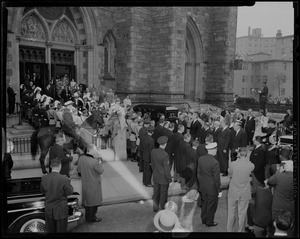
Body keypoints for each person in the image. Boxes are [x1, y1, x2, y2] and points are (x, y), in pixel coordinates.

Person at [40, 158, 74, 233]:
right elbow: (69, 192)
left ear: (51, 166)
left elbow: (42, 192)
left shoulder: (44, 178)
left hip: (49, 210)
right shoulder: (64, 178)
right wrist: (69, 181)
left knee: (50, 230)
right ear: (60, 166)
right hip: (60, 210)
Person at [227, 147, 254, 232]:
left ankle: (229, 231)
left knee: (231, 213)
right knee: (242, 214)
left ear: (238, 154)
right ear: (246, 154)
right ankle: (240, 231)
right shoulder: (251, 165)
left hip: (233, 191)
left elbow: (229, 173)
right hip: (244, 192)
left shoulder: (232, 164)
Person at [77, 146, 104, 222]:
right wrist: (100, 163)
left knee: (87, 201)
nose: (96, 151)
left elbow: (79, 171)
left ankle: (88, 217)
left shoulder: (81, 159)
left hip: (85, 183)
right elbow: (101, 171)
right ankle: (92, 217)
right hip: (94, 183)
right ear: (90, 150)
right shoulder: (94, 161)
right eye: (94, 149)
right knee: (94, 202)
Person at [197, 142, 221, 227]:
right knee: (211, 206)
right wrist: (218, 188)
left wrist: (201, 183)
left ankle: (204, 219)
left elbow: (198, 173)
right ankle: (209, 222)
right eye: (216, 149)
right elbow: (217, 178)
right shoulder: (215, 162)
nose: (216, 150)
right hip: (212, 188)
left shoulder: (201, 159)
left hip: (203, 186)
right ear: (212, 150)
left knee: (204, 203)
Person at [151, 136, 172, 212]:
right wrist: (169, 178)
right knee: (163, 194)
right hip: (163, 178)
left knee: (156, 192)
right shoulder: (165, 155)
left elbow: (152, 164)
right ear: (165, 144)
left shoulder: (153, 151)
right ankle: (163, 208)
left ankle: (155, 207)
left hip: (156, 176)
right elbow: (166, 169)